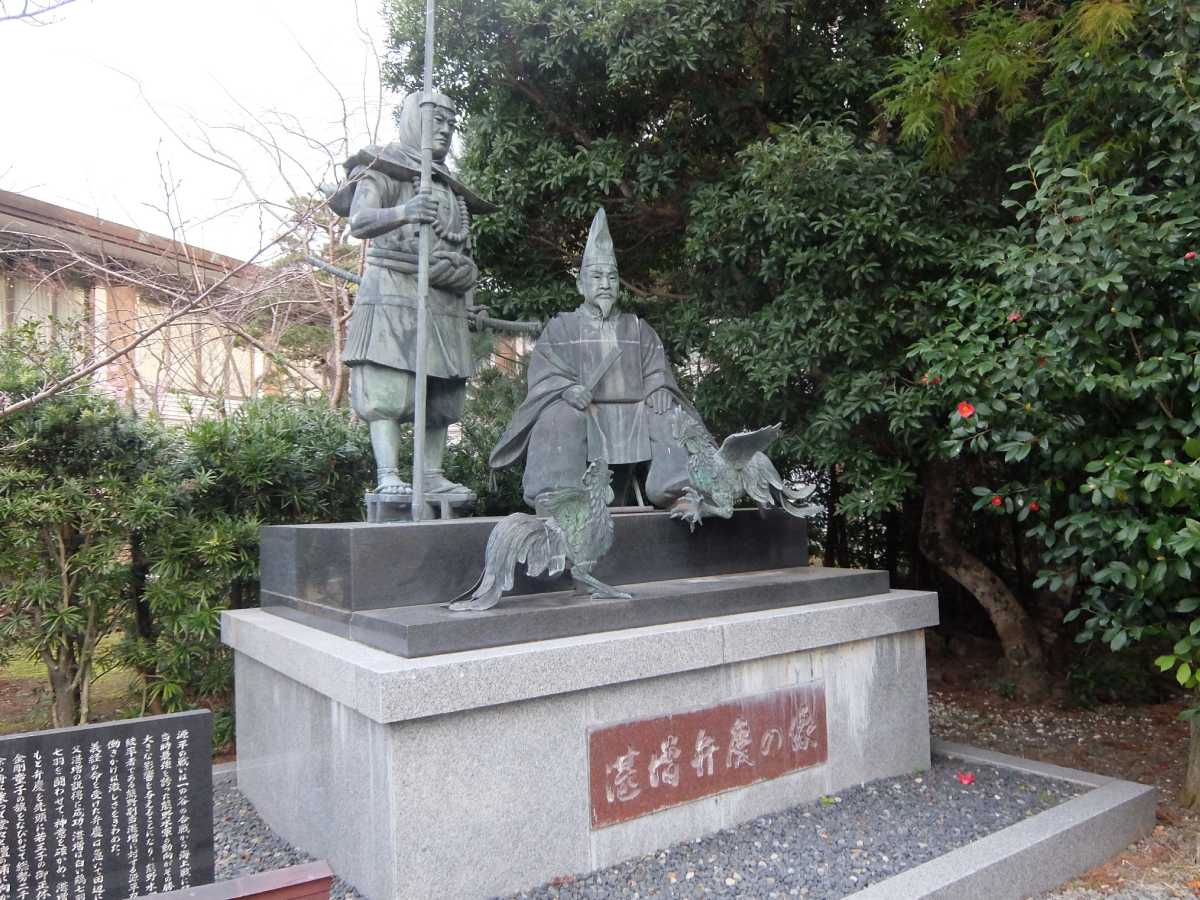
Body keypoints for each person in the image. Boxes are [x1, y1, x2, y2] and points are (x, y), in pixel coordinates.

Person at [329, 90, 495, 495]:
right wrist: (405, 211)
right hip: (393, 288)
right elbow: (360, 221)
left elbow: (461, 247)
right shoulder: (381, 167)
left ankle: (431, 475)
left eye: (451, 123)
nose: (446, 129)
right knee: (388, 389)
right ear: (412, 119)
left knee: (443, 396)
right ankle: (388, 475)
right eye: (437, 120)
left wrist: (470, 302)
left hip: (446, 298)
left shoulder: (451, 188)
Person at [490, 208, 699, 510]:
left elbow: (656, 371)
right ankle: (558, 496)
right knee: (558, 415)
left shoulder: (639, 328)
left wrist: (659, 389)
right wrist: (566, 389)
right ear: (581, 284)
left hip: (635, 413)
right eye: (597, 277)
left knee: (667, 413)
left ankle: (679, 492)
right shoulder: (561, 328)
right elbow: (545, 375)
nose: (605, 284)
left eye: (612, 277)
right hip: (584, 411)